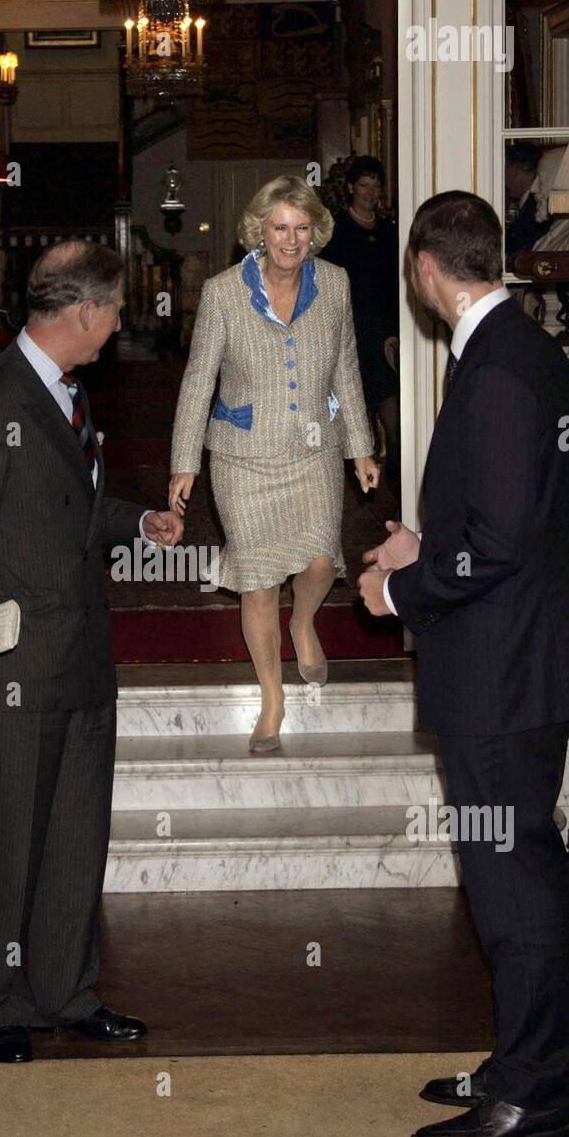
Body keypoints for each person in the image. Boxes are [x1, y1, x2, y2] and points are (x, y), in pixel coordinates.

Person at [359, 190, 569, 1137]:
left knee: (514, 885)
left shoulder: (495, 369)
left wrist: (402, 591)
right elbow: (518, 521)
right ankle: (519, 1067)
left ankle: (534, 1095)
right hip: (519, 663)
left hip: (503, 676)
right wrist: (428, 540)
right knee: (511, 877)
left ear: (425, 269)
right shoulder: (529, 352)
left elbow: (496, 541)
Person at [0, 240, 183, 1063]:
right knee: (10, 839)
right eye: (115, 310)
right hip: (15, 669)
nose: (120, 326)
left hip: (85, 654)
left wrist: (136, 521)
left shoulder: (68, 395)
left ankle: (67, 991)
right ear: (84, 311)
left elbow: (71, 512)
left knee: (79, 838)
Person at [169, 175, 379, 754]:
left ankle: (304, 621)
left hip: (313, 452)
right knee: (258, 583)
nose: (290, 240)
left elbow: (347, 372)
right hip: (243, 458)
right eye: (279, 228)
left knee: (318, 561)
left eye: (301, 228)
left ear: (316, 232)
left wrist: (359, 446)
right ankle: (271, 697)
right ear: (259, 231)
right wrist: (184, 460)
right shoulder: (222, 293)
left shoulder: (335, 285)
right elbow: (197, 382)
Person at [320, 156, 401, 487]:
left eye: (376, 185)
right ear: (351, 187)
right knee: (346, 415)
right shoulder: (335, 232)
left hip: (383, 335)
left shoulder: (389, 231)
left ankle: (398, 488)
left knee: (394, 416)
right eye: (364, 184)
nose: (371, 192)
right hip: (348, 333)